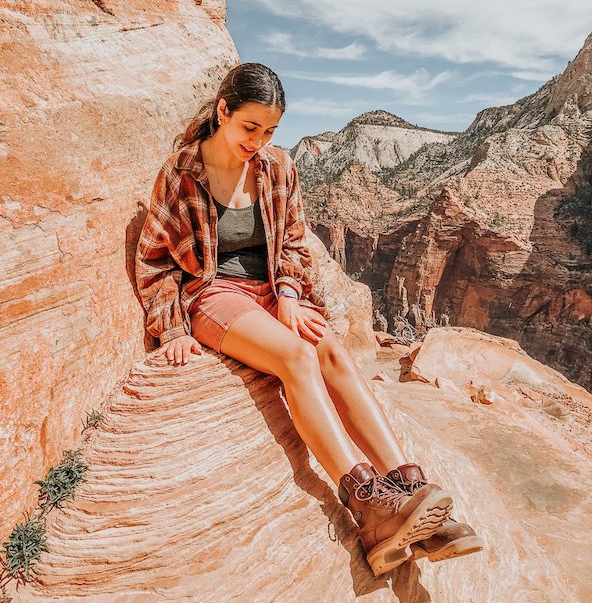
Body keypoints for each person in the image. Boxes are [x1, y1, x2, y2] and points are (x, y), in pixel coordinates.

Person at [135, 62, 483, 576]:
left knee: (334, 352)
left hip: (273, 291)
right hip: (213, 295)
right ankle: (368, 506)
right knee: (297, 357)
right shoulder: (181, 173)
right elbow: (156, 258)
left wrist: (291, 293)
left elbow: (294, 242)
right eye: (249, 127)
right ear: (222, 110)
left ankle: (412, 491)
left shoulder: (277, 168)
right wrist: (172, 329)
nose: (258, 141)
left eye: (271, 131)